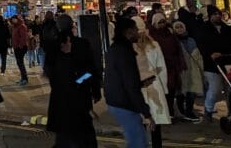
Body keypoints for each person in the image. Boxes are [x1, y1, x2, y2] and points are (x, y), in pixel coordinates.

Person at [45, 15, 101, 148]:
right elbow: (90, 71)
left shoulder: (52, 47)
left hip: (61, 99)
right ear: (72, 26)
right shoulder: (82, 44)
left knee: (66, 137)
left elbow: (50, 72)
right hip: (79, 97)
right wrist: (84, 83)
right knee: (83, 136)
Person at [105, 18, 152, 148]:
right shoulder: (124, 52)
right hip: (123, 103)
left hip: (117, 100)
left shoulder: (117, 48)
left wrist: (140, 83)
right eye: (136, 29)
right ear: (129, 32)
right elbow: (130, 84)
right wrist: (146, 112)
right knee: (139, 143)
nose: (138, 32)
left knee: (137, 140)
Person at [134, 18, 170, 148]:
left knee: (142, 120)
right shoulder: (154, 45)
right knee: (155, 119)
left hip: (139, 86)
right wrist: (164, 88)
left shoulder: (129, 48)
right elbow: (162, 67)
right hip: (154, 84)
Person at [198, 6, 231, 122]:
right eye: (214, 14)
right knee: (214, 89)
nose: (217, 16)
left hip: (228, 63)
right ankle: (208, 110)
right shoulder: (204, 29)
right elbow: (202, 46)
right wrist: (210, 54)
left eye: (218, 14)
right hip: (212, 65)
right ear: (210, 16)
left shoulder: (227, 29)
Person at [148, 13, 188, 121]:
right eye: (159, 22)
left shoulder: (169, 33)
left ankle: (170, 111)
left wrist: (180, 63)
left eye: (163, 22)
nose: (162, 25)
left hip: (172, 66)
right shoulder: (151, 35)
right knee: (163, 90)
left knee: (171, 90)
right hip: (160, 67)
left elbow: (177, 48)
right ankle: (165, 112)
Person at [11, 15, 30, 84]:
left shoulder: (22, 26)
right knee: (19, 63)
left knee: (20, 63)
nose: (13, 20)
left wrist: (20, 46)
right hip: (16, 47)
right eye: (12, 19)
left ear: (17, 19)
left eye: (14, 19)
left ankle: (25, 78)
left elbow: (23, 38)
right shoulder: (14, 26)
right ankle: (23, 78)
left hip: (21, 47)